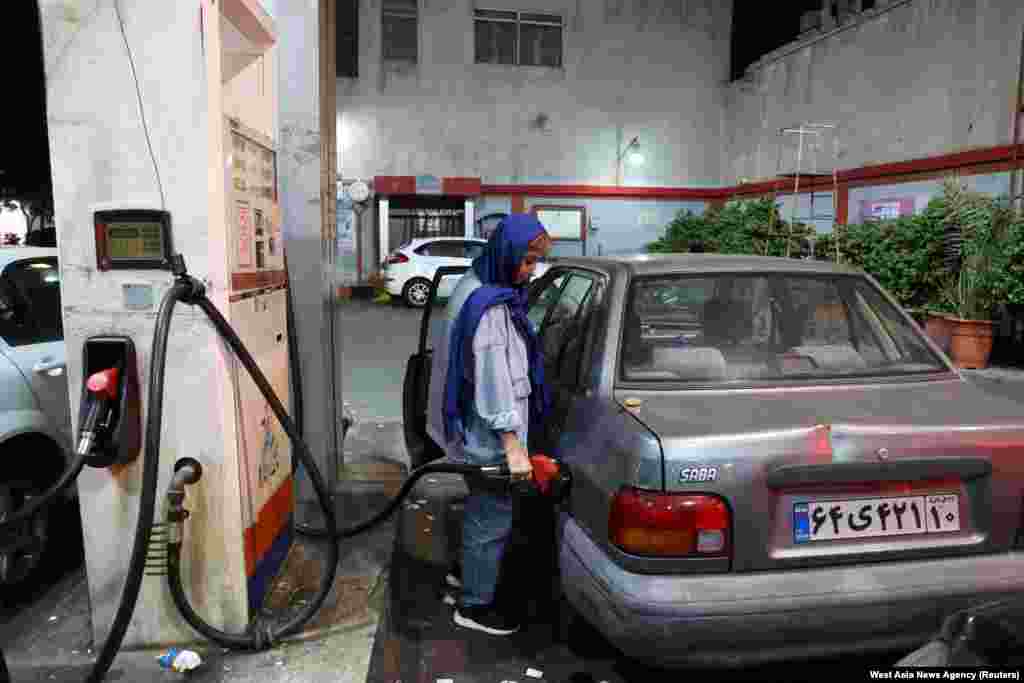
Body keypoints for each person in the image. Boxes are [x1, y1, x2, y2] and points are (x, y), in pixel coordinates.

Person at [440, 213, 553, 636]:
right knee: (493, 516)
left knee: (484, 514)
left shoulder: (493, 293)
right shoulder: (491, 309)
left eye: (535, 262)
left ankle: (467, 577)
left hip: (487, 433)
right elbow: (493, 382)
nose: (530, 270)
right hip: (492, 438)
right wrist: (512, 444)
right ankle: (473, 606)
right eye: (525, 261)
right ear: (506, 254)